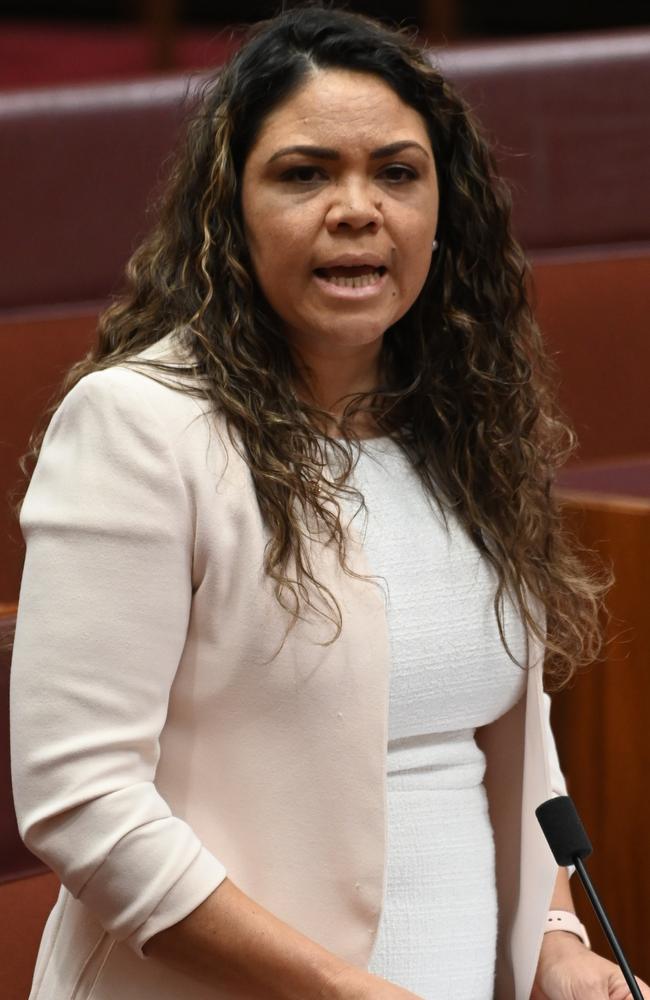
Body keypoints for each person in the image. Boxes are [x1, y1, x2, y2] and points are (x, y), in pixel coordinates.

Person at [9, 5, 649, 1000]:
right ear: (230, 209)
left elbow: (499, 748)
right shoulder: (136, 427)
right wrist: (342, 987)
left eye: (395, 173)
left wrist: (553, 940)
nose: (357, 208)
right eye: (304, 173)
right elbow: (82, 802)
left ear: (444, 211)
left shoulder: (464, 421)